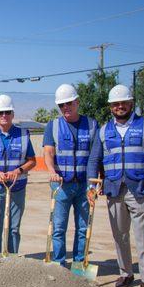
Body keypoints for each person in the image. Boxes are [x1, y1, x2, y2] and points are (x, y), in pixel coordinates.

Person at [87, 84, 144, 287]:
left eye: (123, 102)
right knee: (120, 236)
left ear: (131, 103)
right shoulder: (104, 130)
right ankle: (126, 273)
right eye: (115, 104)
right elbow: (94, 159)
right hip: (114, 189)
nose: (120, 106)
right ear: (110, 107)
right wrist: (92, 184)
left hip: (141, 189)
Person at [43, 84, 98, 267]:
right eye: (61, 105)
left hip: (84, 185)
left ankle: (79, 264)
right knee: (58, 228)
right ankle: (59, 264)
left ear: (77, 102)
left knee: (83, 228)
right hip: (61, 185)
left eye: (69, 103)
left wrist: (95, 182)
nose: (65, 108)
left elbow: (96, 155)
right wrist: (52, 172)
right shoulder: (53, 125)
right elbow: (49, 152)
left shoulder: (91, 124)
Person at [0, 95, 36, 255]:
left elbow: (32, 161)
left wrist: (19, 171)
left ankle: (12, 261)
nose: (4, 116)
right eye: (0, 112)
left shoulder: (23, 135)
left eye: (7, 112)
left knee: (14, 228)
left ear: (13, 114)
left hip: (17, 188)